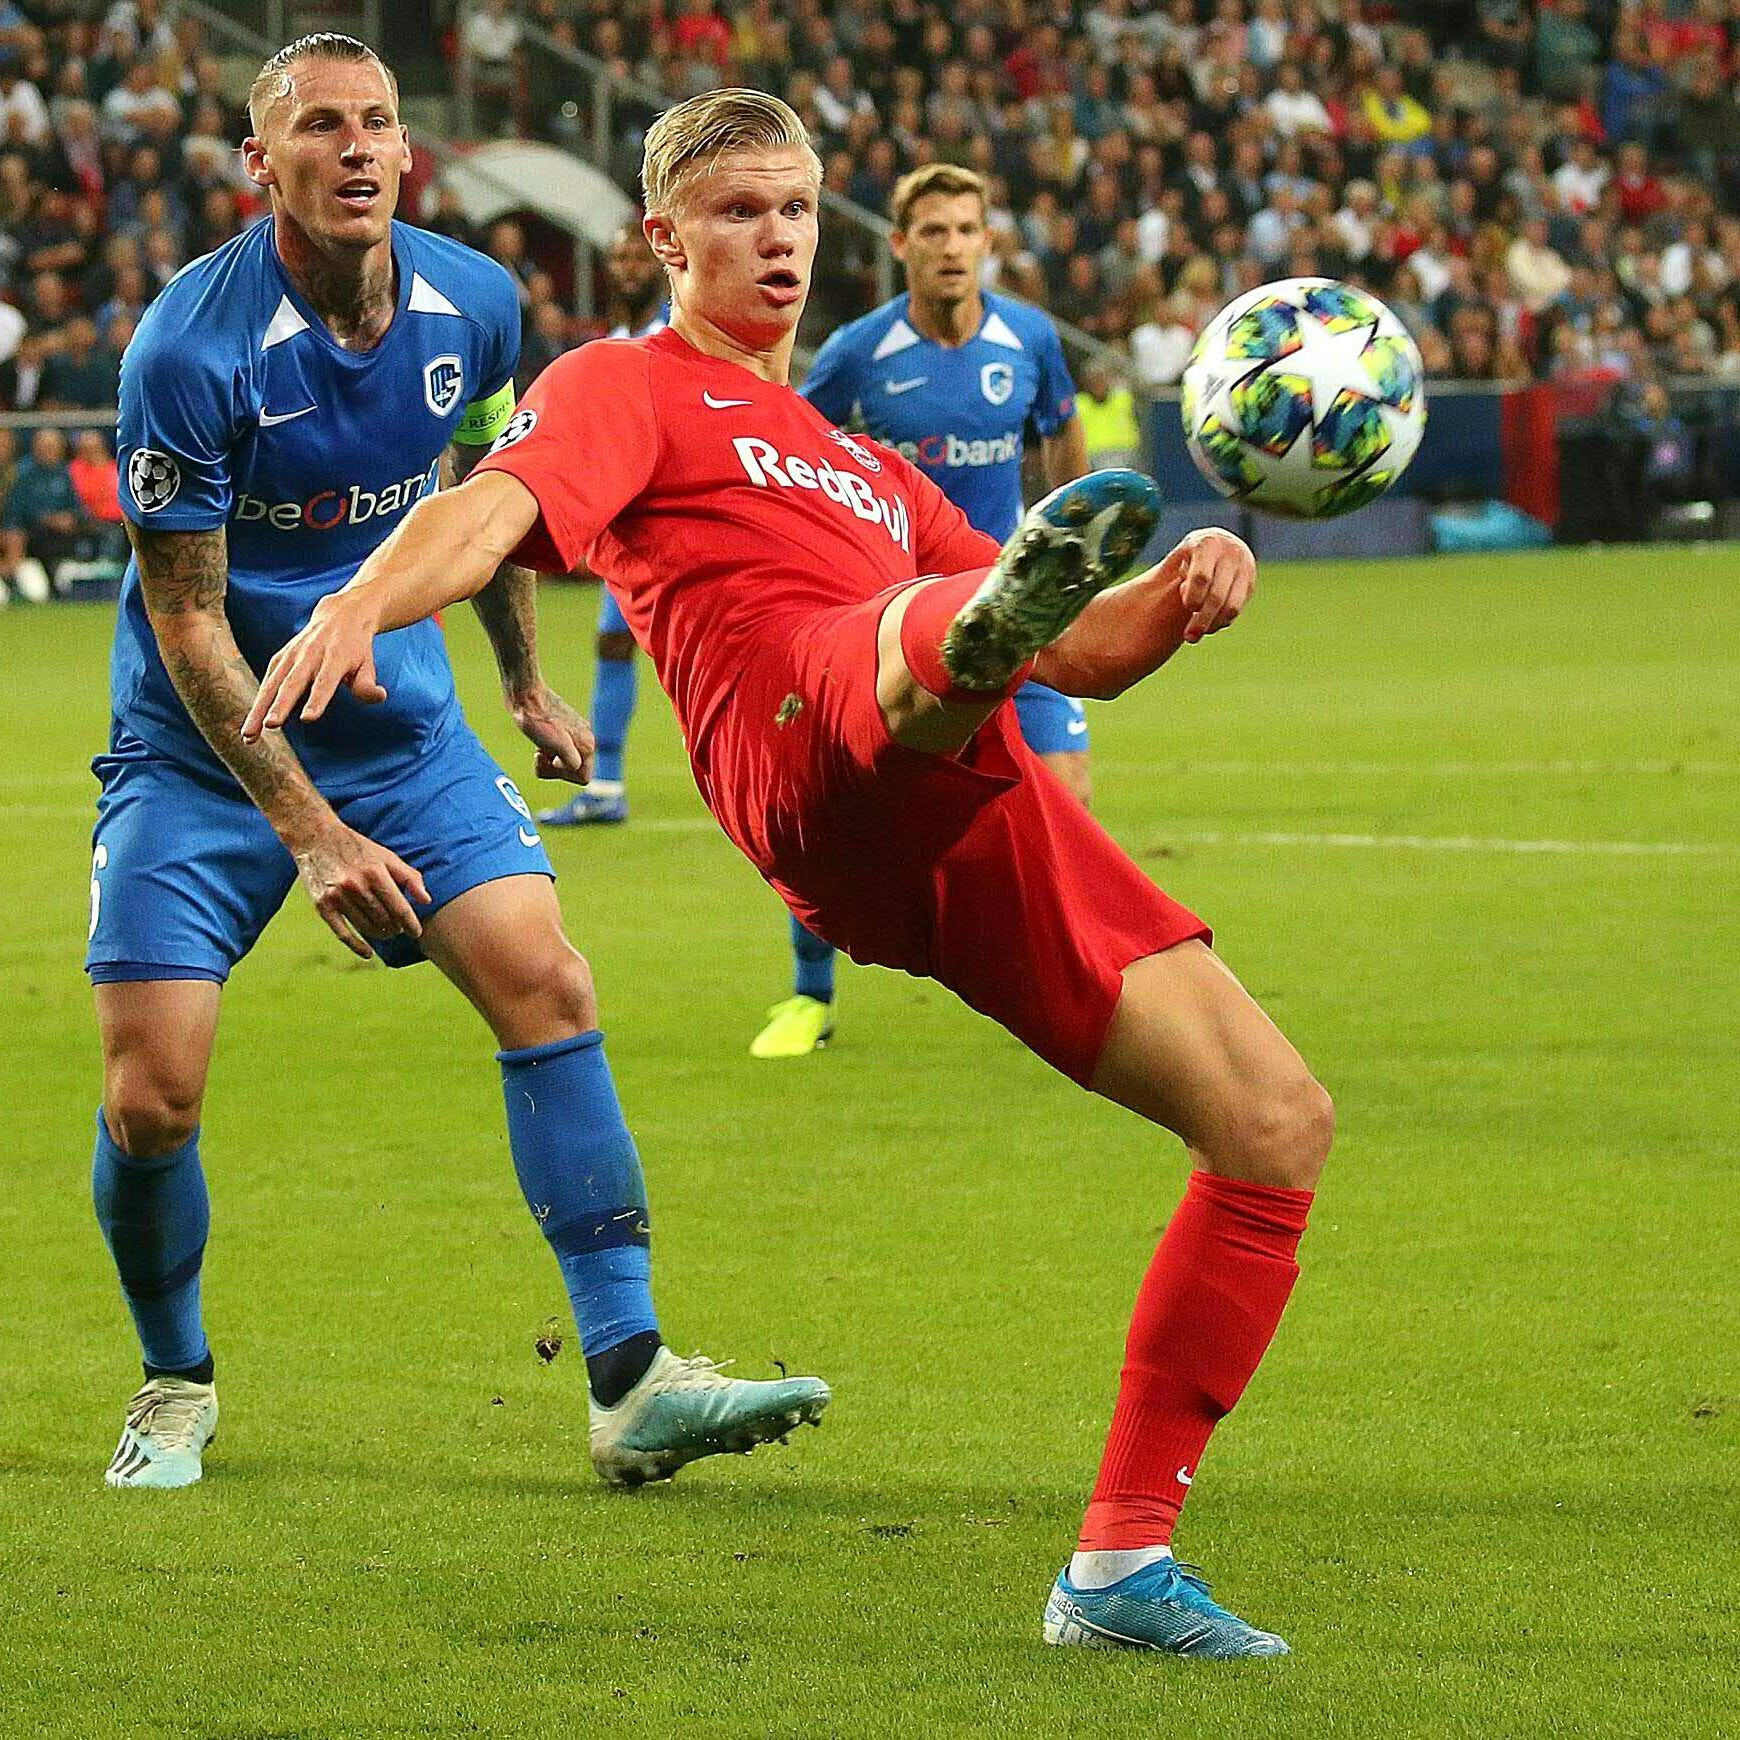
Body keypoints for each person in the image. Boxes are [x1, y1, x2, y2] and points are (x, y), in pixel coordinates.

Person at [248, 89, 1333, 1660]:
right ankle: (968, 638)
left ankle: (1116, 1570)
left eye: (800, 212)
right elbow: (489, 510)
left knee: (1275, 1123)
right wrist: (365, 599)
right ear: (664, 237)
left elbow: (1083, 649)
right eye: (743, 212)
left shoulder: (861, 462)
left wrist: (1176, 598)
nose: (778, 240)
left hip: (968, 801)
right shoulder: (626, 384)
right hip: (802, 743)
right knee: (904, 637)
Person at [90, 41, 826, 1492]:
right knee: (150, 1095)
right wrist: (307, 835)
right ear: (264, 164)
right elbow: (185, 617)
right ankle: (175, 1380)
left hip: (402, 729)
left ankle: (630, 1379)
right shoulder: (190, 349)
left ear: (406, 149)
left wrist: (523, 677)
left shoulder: (477, 304)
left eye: (376, 123)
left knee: (546, 977)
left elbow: (488, 502)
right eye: (319, 128)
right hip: (202, 757)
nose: (356, 148)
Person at [748, 160, 1093, 1059]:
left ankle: (1061, 990)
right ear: (900, 244)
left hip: (1011, 604)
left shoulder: (1030, 339)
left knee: (1066, 799)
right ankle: (809, 997)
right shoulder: (860, 353)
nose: (952, 248)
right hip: (891, 621)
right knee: (832, 814)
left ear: (988, 241)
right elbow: (788, 445)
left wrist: (1081, 545)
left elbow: (1060, 436)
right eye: (933, 232)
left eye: (967, 231)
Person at [537, 222, 668, 831]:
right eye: (617, 257)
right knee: (614, 643)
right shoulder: (614, 342)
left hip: (680, 523)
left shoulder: (679, 334)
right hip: (631, 530)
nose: (627, 266)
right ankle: (606, 785)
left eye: (636, 256)